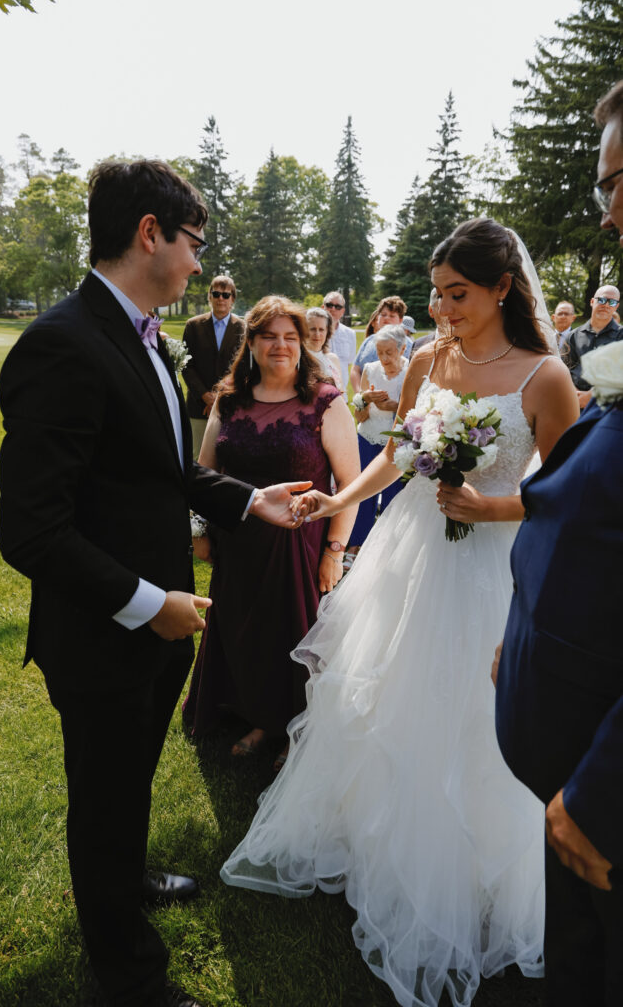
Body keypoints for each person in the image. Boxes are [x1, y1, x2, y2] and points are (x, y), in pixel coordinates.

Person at [221, 217, 579, 1007]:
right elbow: (394, 451)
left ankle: (469, 879)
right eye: (436, 295)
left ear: (502, 288)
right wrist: (337, 499)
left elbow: (564, 493)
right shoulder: (426, 359)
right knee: (382, 700)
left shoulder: (543, 378)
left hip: (489, 567)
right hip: (408, 555)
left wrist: (489, 510)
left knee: (473, 720)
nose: (442, 311)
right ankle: (379, 851)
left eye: (457, 296)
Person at [0, 160, 311, 1007]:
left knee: (129, 778)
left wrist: (251, 500)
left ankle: (124, 879)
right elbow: (30, 530)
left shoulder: (143, 338)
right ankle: (128, 973)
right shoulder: (63, 343)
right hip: (103, 632)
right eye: (193, 244)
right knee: (101, 795)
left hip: (160, 626)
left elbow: (163, 472)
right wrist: (148, 604)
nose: (198, 264)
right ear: (149, 235)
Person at [494, 78, 623, 1007]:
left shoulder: (549, 369)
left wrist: (606, 786)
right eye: (604, 187)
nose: (612, 213)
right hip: (567, 770)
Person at [183, 295, 359, 771]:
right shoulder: (230, 399)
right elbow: (204, 470)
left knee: (295, 636)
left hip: (301, 548)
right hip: (236, 544)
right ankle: (257, 717)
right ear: (252, 343)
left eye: (290, 337)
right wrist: (200, 529)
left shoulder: (325, 401)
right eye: (268, 336)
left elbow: (350, 485)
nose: (280, 346)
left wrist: (335, 552)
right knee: (247, 633)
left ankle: (296, 725)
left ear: (303, 344)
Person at [344, 324, 407, 567]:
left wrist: (395, 407)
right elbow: (360, 417)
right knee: (363, 495)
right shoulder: (370, 369)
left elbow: (415, 413)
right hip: (367, 439)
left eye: (390, 352)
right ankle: (355, 545)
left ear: (402, 348)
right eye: (380, 352)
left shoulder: (410, 371)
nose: (384, 358)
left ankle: (387, 551)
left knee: (393, 498)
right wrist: (365, 400)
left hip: (395, 443)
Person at [182, 275, 245, 456]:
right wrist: (205, 396)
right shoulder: (193, 326)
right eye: (216, 293)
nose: (220, 299)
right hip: (198, 405)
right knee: (198, 456)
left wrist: (221, 396)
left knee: (229, 456)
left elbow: (243, 367)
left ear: (233, 299)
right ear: (209, 296)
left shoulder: (242, 328)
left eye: (226, 295)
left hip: (231, 404)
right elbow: (186, 365)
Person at [564, 283, 622, 409]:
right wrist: (574, 395)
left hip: (608, 407)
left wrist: (592, 396)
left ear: (616, 307)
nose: (606, 305)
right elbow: (563, 370)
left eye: (611, 302)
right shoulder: (572, 336)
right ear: (592, 301)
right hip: (572, 402)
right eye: (601, 300)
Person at [349, 295, 407, 393]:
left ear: (400, 320)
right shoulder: (368, 340)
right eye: (383, 314)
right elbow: (355, 370)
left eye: (392, 316)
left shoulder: (406, 344)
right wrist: (361, 396)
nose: (386, 318)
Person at [324, 290, 356, 396]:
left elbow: (349, 362)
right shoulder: (312, 333)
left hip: (341, 394)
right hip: (319, 393)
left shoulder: (350, 334)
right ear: (322, 307)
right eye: (329, 305)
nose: (333, 309)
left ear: (343, 311)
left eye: (337, 307)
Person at [305, 305, 343, 390]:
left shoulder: (333, 359)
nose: (317, 334)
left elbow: (340, 390)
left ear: (327, 332)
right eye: (312, 329)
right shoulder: (298, 360)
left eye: (321, 329)